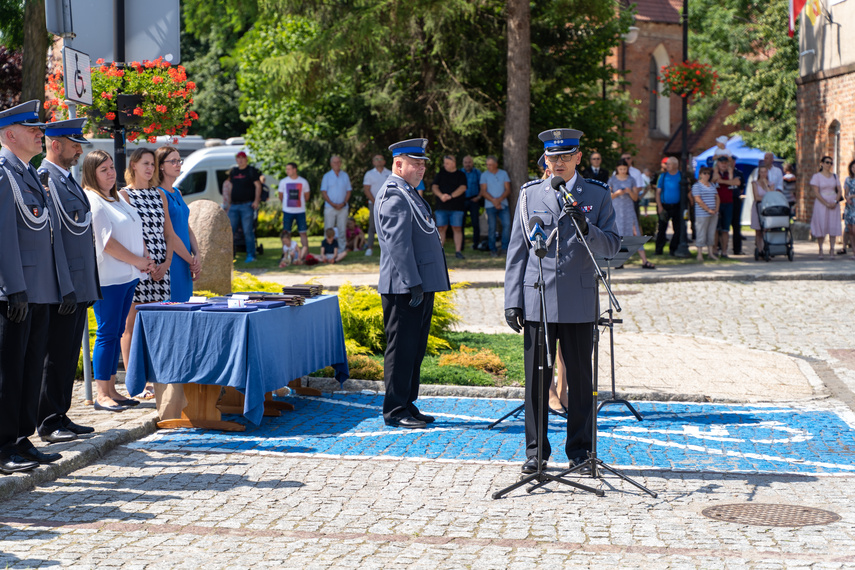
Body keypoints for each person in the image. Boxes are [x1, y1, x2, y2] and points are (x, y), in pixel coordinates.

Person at [505, 128, 620, 474]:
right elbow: (517, 251)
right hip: (538, 297)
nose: (557, 163)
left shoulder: (596, 196)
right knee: (537, 382)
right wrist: (513, 300)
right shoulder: (529, 195)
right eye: (552, 157)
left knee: (582, 383)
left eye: (565, 157)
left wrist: (588, 229)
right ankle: (536, 452)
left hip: (579, 300)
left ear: (578, 158)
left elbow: (612, 245)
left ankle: (581, 452)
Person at [0, 101, 75, 473]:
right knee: (9, 370)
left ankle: (20, 437)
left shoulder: (26, 173)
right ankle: (3, 445)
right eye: (32, 128)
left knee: (30, 368)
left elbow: (45, 233)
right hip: (17, 291)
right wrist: (12, 286)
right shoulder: (3, 172)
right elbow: (3, 235)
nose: (39, 133)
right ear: (10, 134)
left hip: (38, 289)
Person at [375, 138, 450, 429]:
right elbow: (398, 246)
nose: (421, 169)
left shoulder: (409, 193)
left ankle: (407, 402)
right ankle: (394, 409)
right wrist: (413, 283)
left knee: (414, 349)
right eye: (415, 163)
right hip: (403, 287)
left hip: (417, 284)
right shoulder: (395, 194)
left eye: (423, 164)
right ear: (398, 164)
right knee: (401, 349)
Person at [36, 119, 101, 444]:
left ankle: (61, 414)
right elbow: (54, 239)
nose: (79, 149)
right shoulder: (46, 180)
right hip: (64, 286)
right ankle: (48, 421)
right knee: (56, 354)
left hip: (78, 284)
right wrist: (66, 286)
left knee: (68, 352)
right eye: (74, 143)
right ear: (55, 144)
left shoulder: (68, 181)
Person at [83, 150, 153, 412]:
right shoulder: (94, 200)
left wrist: (143, 258)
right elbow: (107, 243)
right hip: (109, 278)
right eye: (104, 170)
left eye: (112, 167)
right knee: (106, 333)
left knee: (115, 332)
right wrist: (138, 261)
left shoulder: (116, 198)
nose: (111, 173)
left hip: (127, 277)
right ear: (92, 173)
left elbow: (134, 230)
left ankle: (112, 388)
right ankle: (102, 393)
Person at [120, 148, 177, 400]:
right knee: (130, 326)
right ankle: (136, 384)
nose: (150, 168)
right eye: (145, 163)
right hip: (138, 267)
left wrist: (166, 263)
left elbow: (169, 233)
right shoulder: (124, 195)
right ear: (133, 165)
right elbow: (128, 235)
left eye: (153, 164)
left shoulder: (159, 195)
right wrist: (146, 264)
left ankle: (158, 379)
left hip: (161, 268)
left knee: (157, 326)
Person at [155, 146, 201, 301]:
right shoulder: (159, 193)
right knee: (175, 305)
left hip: (186, 259)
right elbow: (169, 234)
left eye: (179, 161)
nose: (178, 165)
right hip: (173, 259)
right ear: (161, 165)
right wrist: (191, 261)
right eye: (172, 161)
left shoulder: (177, 192)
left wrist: (197, 255)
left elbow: (186, 227)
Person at [608, 159, 655, 269]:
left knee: (635, 233)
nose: (623, 171)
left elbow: (635, 198)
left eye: (624, 169)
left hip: (629, 210)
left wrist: (629, 192)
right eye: (620, 169)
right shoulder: (612, 180)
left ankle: (644, 261)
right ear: (617, 169)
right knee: (619, 235)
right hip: (617, 211)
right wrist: (617, 193)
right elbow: (608, 196)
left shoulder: (631, 179)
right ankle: (619, 261)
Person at [222, 151, 262, 263]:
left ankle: (251, 255)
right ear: (236, 160)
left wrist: (256, 201)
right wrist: (228, 203)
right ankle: (228, 256)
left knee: (248, 231)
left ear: (246, 159)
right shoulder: (234, 171)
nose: (240, 160)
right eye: (238, 158)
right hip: (234, 206)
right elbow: (230, 187)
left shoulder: (251, 171)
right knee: (229, 231)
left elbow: (258, 186)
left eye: (242, 158)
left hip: (247, 205)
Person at [431, 155, 468, 259]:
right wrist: (441, 195)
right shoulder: (441, 174)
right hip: (441, 207)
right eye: (444, 163)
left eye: (447, 163)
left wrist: (450, 196)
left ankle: (458, 251)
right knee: (441, 228)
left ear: (454, 163)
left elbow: (463, 187)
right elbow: (434, 186)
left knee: (457, 228)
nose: (445, 165)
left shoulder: (461, 174)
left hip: (457, 207)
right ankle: (439, 251)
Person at [809, 155, 842, 259]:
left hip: (833, 202)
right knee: (821, 225)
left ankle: (832, 249)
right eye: (827, 162)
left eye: (831, 163)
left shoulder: (835, 176)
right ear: (822, 163)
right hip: (821, 203)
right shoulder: (817, 176)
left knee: (833, 225)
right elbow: (816, 192)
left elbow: (839, 190)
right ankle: (821, 249)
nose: (829, 165)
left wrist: (835, 202)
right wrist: (826, 203)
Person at [479, 155, 511, 257]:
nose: (489, 166)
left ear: (496, 164)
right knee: (492, 228)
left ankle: (504, 248)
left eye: (491, 164)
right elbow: (483, 191)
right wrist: (494, 201)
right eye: (487, 165)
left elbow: (508, 189)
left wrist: (499, 201)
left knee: (507, 225)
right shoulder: (484, 175)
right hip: (490, 205)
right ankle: (492, 249)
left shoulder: (503, 173)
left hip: (503, 204)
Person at [278, 162, 311, 262]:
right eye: (286, 169)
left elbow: (307, 196)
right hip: (287, 211)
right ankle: (286, 255)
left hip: (300, 211)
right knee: (286, 233)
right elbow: (281, 196)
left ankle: (306, 254)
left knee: (303, 233)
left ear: (294, 169)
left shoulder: (303, 182)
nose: (287, 171)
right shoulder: (283, 182)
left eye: (289, 169)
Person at [362, 154, 391, 256]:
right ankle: (369, 248)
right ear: (373, 162)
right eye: (376, 159)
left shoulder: (390, 173)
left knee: (388, 225)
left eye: (381, 159)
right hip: (373, 204)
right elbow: (366, 189)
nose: (379, 161)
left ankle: (389, 248)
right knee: (372, 226)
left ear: (384, 161)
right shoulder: (369, 174)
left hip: (388, 204)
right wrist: (375, 202)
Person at [712, 155, 740, 258]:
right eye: (721, 163)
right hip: (716, 204)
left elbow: (736, 182)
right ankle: (715, 250)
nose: (723, 165)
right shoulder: (713, 173)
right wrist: (716, 177)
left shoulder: (733, 173)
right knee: (715, 228)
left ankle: (724, 251)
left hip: (729, 203)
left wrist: (723, 181)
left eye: (725, 163)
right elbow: (711, 182)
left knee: (725, 229)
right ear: (718, 164)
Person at [321, 155, 352, 245]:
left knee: (342, 230)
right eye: (334, 162)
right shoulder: (326, 176)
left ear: (341, 163)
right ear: (331, 164)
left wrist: (344, 203)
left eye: (338, 162)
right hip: (330, 207)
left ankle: (341, 249)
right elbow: (324, 192)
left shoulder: (345, 175)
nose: (336, 164)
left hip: (343, 207)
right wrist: (333, 204)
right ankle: (327, 249)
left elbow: (348, 191)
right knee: (328, 229)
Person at [691, 167, 720, 262]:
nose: (707, 175)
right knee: (701, 233)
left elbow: (717, 197)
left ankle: (710, 253)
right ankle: (699, 254)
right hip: (702, 214)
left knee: (711, 233)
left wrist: (716, 209)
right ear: (700, 174)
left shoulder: (712, 185)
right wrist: (708, 209)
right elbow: (698, 200)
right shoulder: (696, 186)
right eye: (704, 173)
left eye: (708, 173)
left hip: (713, 213)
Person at [655, 157, 682, 256]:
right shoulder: (663, 176)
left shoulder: (681, 175)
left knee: (678, 229)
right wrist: (659, 206)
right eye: (667, 164)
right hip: (665, 206)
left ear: (675, 165)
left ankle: (673, 249)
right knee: (662, 229)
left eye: (669, 164)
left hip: (677, 206)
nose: (667, 166)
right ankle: (658, 250)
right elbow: (658, 192)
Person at [460, 155, 483, 251]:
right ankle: (461, 246)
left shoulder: (478, 173)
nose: (467, 164)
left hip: (474, 200)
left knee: (475, 223)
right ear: (463, 163)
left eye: (469, 162)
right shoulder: (460, 172)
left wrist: (478, 197)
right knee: (461, 223)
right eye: (466, 162)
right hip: (462, 200)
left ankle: (476, 245)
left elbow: (483, 186)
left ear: (472, 163)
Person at [750, 165, 774, 257]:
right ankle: (759, 249)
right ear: (759, 173)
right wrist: (766, 197)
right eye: (762, 172)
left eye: (765, 172)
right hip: (758, 207)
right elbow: (756, 197)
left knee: (766, 229)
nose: (763, 174)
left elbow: (771, 195)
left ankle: (765, 248)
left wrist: (766, 185)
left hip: (767, 208)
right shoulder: (754, 183)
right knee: (758, 230)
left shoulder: (771, 183)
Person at [844, 160, 855, 261]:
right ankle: (854, 253)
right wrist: (847, 197)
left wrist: (852, 196)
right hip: (849, 207)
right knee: (851, 231)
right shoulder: (848, 179)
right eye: (853, 167)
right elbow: (846, 192)